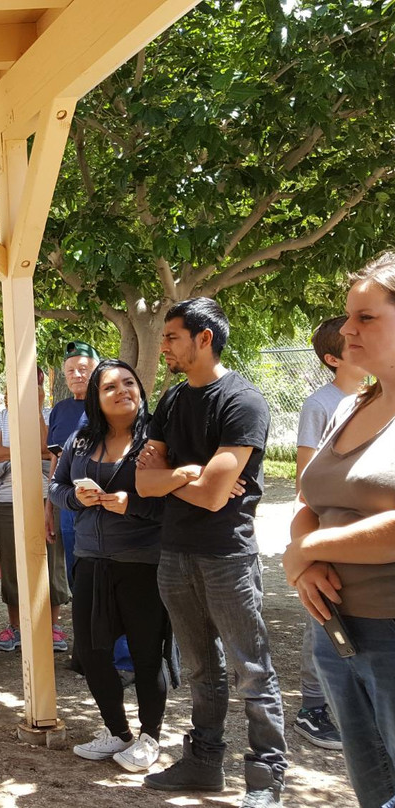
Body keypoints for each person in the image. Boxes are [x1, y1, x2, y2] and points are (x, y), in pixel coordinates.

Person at [136, 297, 287, 807]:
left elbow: (213, 496)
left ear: (204, 338)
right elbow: (143, 482)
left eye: (172, 336)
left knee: (252, 670)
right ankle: (203, 763)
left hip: (227, 556)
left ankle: (266, 781)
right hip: (175, 552)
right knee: (201, 669)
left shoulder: (243, 402)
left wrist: (173, 478)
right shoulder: (173, 400)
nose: (164, 345)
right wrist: (191, 474)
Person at [281, 253, 395, 808]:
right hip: (337, 631)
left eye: (366, 317)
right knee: (374, 789)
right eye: (350, 315)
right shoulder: (352, 405)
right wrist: (304, 563)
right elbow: (312, 497)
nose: (347, 329)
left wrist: (306, 549)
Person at [49, 359, 169, 773]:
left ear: (141, 390)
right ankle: (117, 732)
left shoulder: (157, 440)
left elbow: (173, 500)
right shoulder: (81, 441)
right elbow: (56, 486)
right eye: (110, 387)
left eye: (129, 383)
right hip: (91, 560)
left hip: (142, 562)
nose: (122, 391)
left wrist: (131, 505)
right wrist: (74, 498)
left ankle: (150, 737)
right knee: (91, 651)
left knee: (146, 652)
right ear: (96, 399)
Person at [291, 316, 366, 749]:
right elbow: (305, 480)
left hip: (362, 534)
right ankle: (312, 708)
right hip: (328, 531)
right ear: (332, 359)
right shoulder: (320, 405)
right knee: (323, 617)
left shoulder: (376, 399)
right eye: (351, 341)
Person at [0, 369, 52, 652]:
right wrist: (33, 451)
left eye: (33, 386)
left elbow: (50, 448)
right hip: (6, 502)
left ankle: (50, 627)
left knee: (51, 562)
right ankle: (16, 627)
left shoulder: (49, 415)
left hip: (45, 499)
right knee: (12, 565)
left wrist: (36, 412)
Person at [45, 340, 99, 653]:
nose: (77, 375)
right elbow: (56, 461)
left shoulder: (107, 404)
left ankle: (114, 651)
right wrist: (48, 509)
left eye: (83, 369)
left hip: (103, 505)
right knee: (77, 575)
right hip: (68, 505)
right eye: (70, 371)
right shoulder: (61, 411)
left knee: (103, 574)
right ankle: (85, 649)